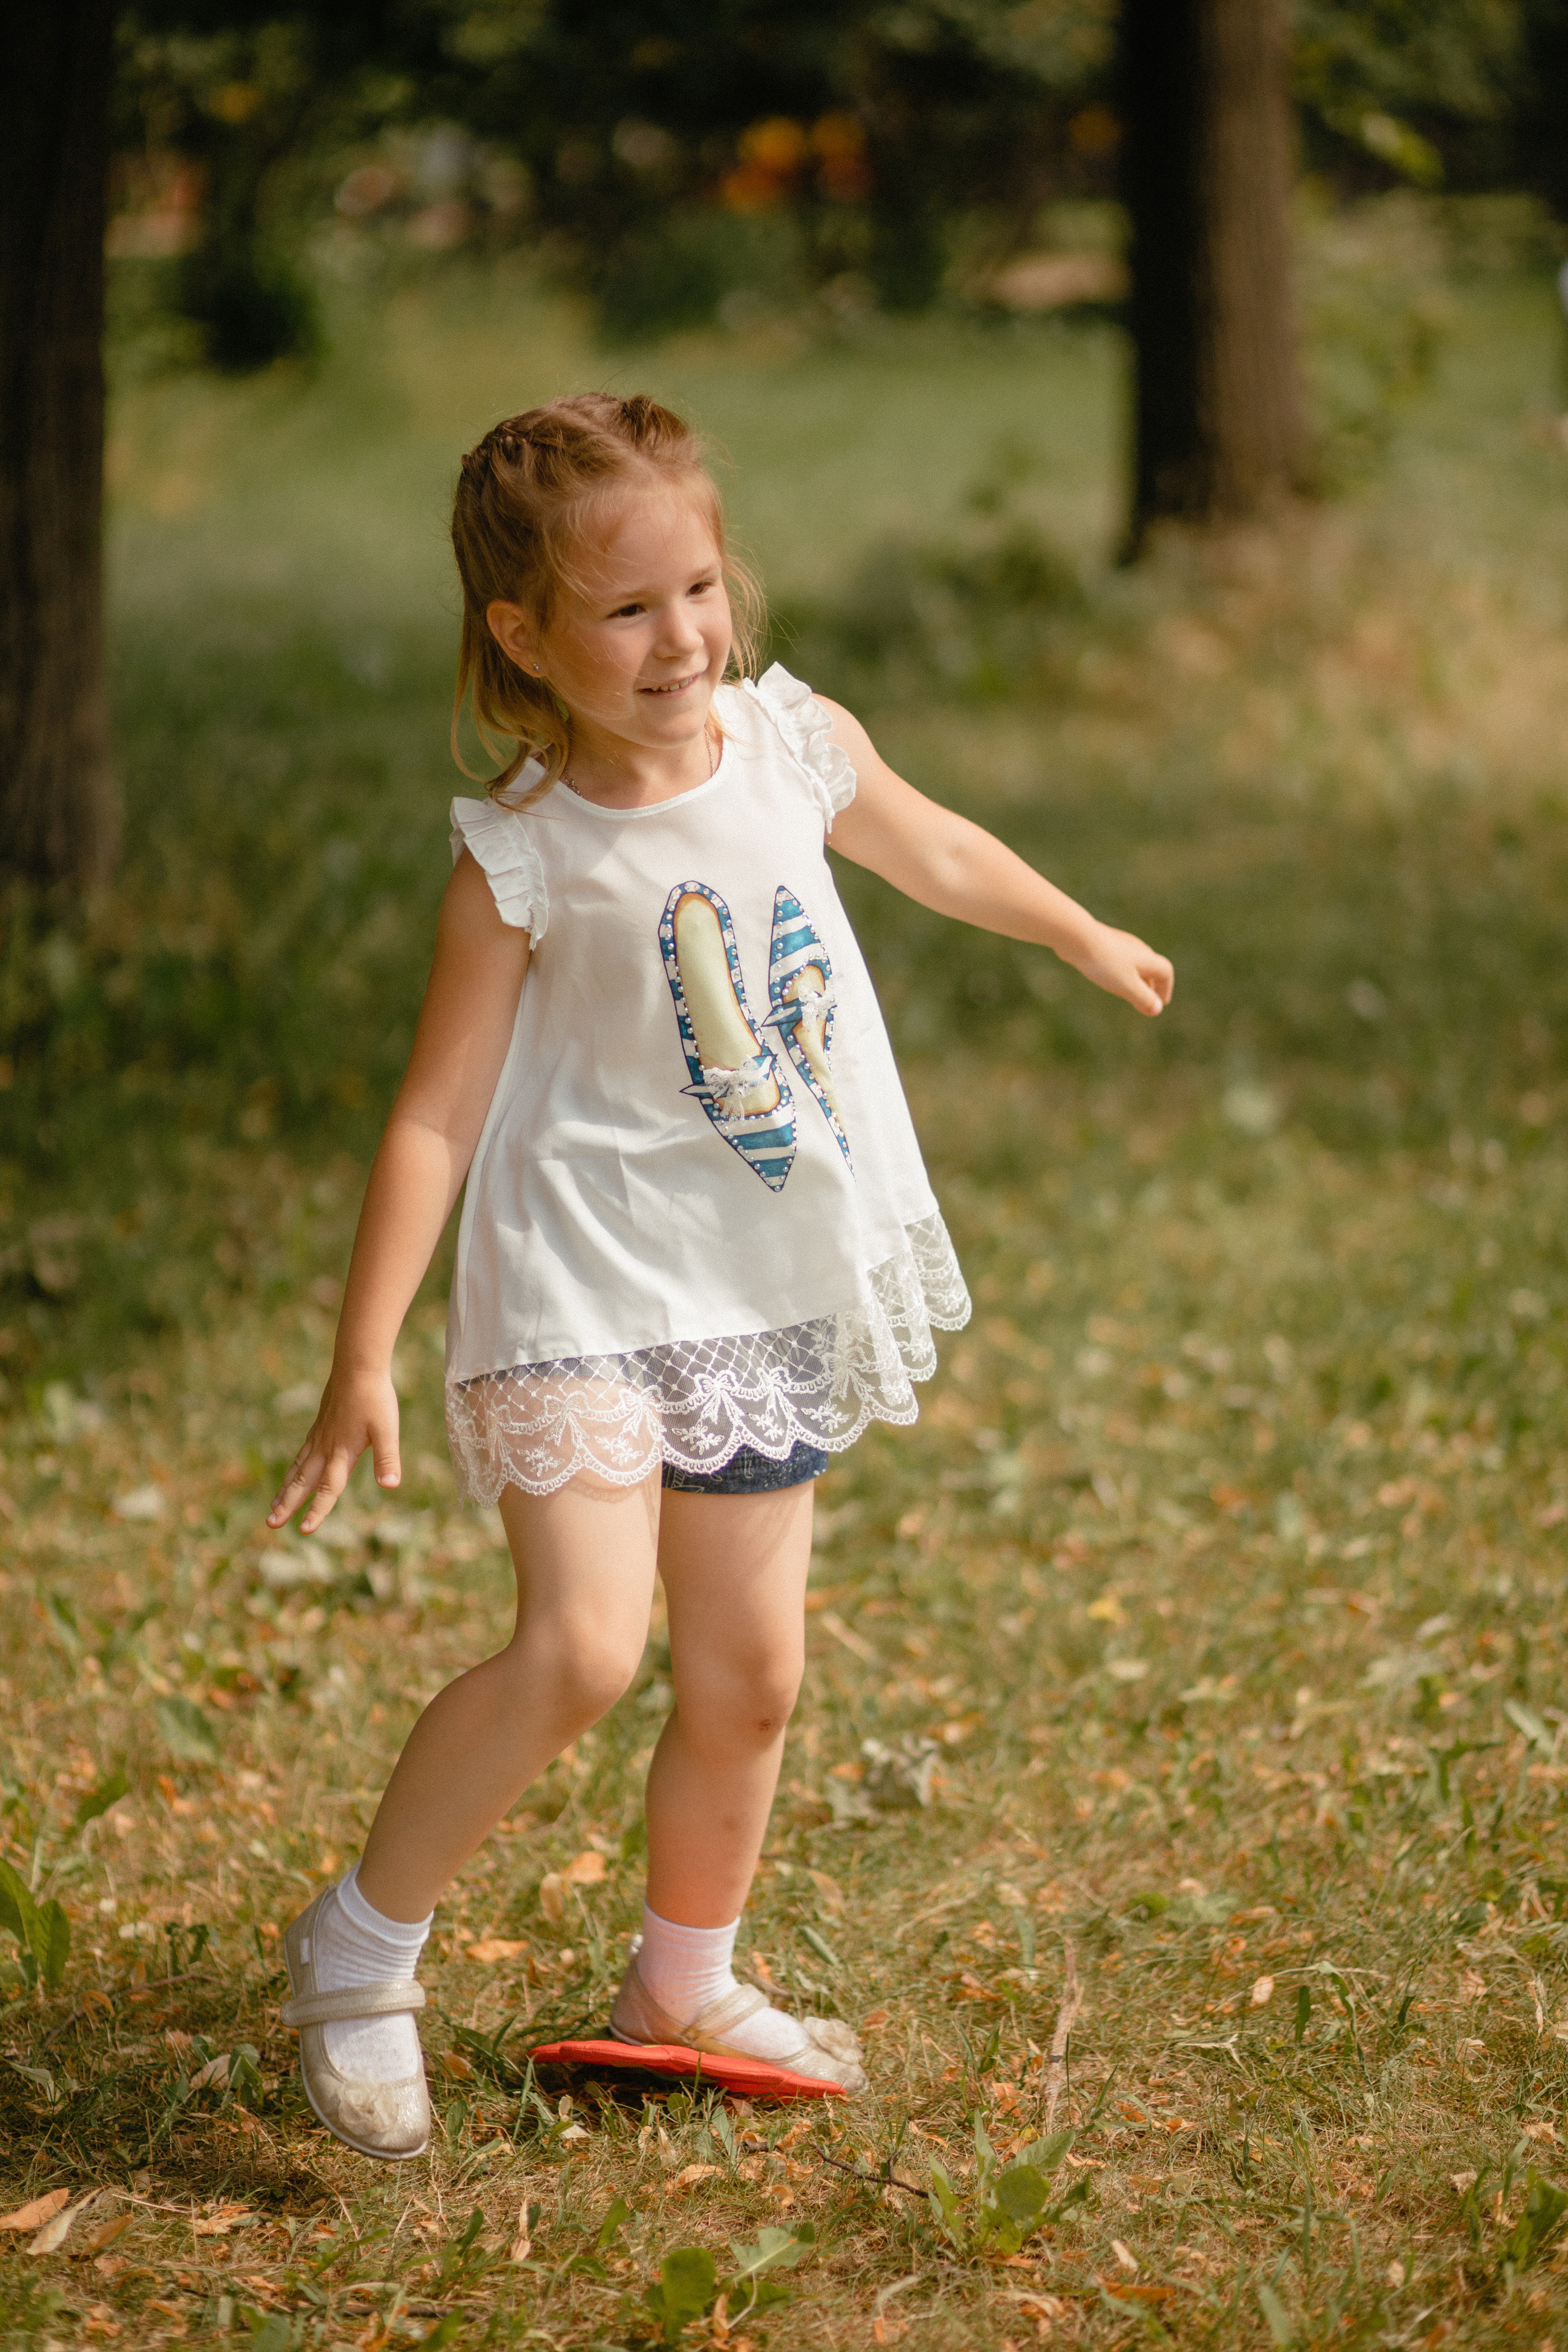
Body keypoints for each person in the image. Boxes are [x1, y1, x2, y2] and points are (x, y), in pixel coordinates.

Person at [265, 393, 1172, 2162]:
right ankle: (360, 1951)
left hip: (758, 1286)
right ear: (521, 637)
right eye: (625, 609)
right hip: (583, 1288)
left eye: (698, 586)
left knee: (751, 1672)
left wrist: (1072, 925)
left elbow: (934, 847)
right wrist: (364, 1349)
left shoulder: (791, 744)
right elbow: (436, 1116)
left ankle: (683, 1976)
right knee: (589, 1646)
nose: (680, 634)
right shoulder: (525, 850)